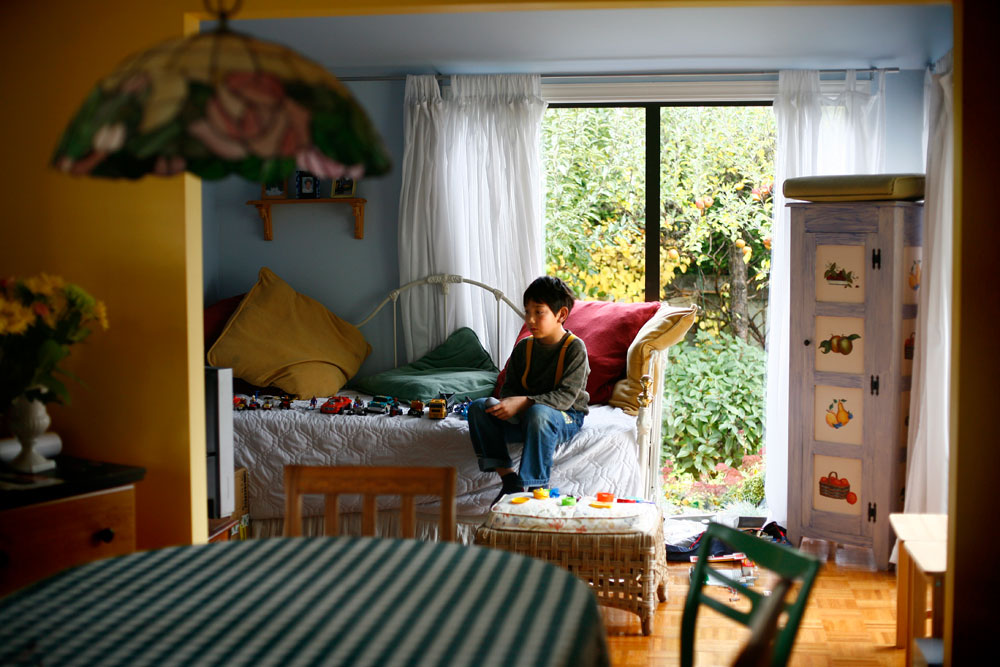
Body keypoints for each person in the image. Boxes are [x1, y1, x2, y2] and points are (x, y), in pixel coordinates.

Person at [468, 276, 590, 505]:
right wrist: (507, 405)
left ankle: (536, 489)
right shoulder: (524, 347)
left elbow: (565, 397)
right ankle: (510, 481)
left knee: (539, 414)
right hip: (527, 417)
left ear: (561, 315)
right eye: (527, 312)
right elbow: (510, 388)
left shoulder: (574, 348)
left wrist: (525, 403)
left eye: (539, 312)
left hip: (566, 416)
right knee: (478, 407)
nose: (530, 319)